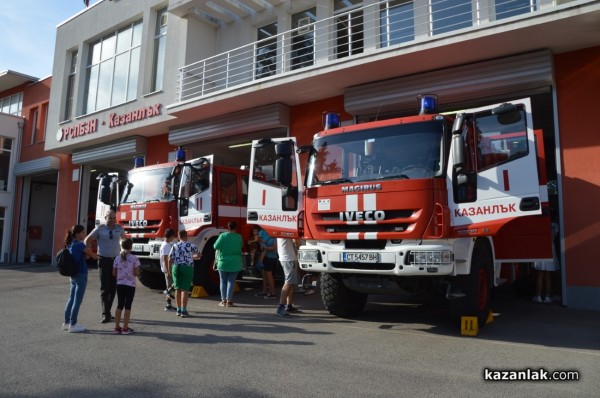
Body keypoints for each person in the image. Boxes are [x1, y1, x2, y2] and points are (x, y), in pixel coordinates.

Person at [85, 210, 126, 324]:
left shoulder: (119, 228)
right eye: (110, 218)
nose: (112, 220)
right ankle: (105, 314)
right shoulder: (99, 229)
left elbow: (124, 239)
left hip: (116, 261)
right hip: (103, 261)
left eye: (114, 218)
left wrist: (123, 250)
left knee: (113, 288)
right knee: (105, 288)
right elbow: (87, 240)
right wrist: (91, 254)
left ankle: (107, 312)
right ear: (105, 217)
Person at [62, 225, 99, 333]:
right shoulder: (79, 245)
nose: (84, 234)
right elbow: (93, 256)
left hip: (73, 275)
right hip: (81, 274)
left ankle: (66, 322)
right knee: (77, 301)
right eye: (83, 233)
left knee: (71, 299)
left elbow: (85, 256)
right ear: (77, 234)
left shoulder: (70, 244)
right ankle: (73, 325)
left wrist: (88, 250)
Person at [168, 230, 201, 318]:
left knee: (177, 289)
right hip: (187, 267)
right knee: (184, 290)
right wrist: (191, 257)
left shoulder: (174, 245)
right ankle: (184, 310)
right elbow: (199, 254)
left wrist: (169, 270)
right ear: (186, 236)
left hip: (176, 267)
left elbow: (170, 258)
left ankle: (178, 310)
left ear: (178, 236)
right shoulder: (190, 245)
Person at [112, 238, 141, 334]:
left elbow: (114, 273)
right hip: (130, 285)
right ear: (131, 247)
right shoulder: (134, 258)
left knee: (119, 305)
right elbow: (136, 273)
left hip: (120, 284)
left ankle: (116, 327)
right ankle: (125, 328)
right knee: (127, 306)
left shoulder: (117, 258)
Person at [213, 221, 243, 307]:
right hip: (235, 262)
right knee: (231, 282)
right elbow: (241, 246)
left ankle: (223, 301)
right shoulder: (239, 237)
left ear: (228, 227)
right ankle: (229, 301)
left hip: (223, 262)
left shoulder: (223, 236)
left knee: (223, 282)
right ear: (235, 228)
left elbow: (215, 247)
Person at [532, 223, 560, 304]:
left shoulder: (538, 224)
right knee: (548, 275)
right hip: (550, 248)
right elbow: (553, 238)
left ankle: (539, 296)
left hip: (541, 247)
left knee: (540, 274)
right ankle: (547, 297)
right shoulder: (554, 226)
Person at [276, 238, 299, 317]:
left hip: (286, 257)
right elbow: (296, 242)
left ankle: (289, 305)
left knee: (290, 283)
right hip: (289, 258)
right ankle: (281, 307)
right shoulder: (288, 230)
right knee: (289, 283)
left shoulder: (283, 230)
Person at [254, 228, 277, 299]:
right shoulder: (265, 233)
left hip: (270, 257)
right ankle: (265, 292)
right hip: (265, 257)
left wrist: (265, 248)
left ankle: (272, 293)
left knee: (269, 275)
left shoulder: (275, 236)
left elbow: (274, 248)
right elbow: (261, 241)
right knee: (264, 275)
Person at [160, 228, 177, 311]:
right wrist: (168, 270)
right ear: (171, 236)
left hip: (167, 268)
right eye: (173, 236)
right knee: (169, 286)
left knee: (169, 285)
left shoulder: (166, 243)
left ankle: (168, 304)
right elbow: (165, 258)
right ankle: (168, 305)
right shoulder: (166, 246)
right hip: (167, 268)